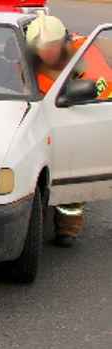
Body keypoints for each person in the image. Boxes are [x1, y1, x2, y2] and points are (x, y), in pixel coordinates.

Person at [26, 14, 112, 248]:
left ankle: (67, 229)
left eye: (52, 47)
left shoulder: (84, 51)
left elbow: (100, 82)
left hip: (84, 118)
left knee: (75, 177)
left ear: (63, 41)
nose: (47, 53)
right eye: (42, 49)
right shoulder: (23, 64)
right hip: (47, 121)